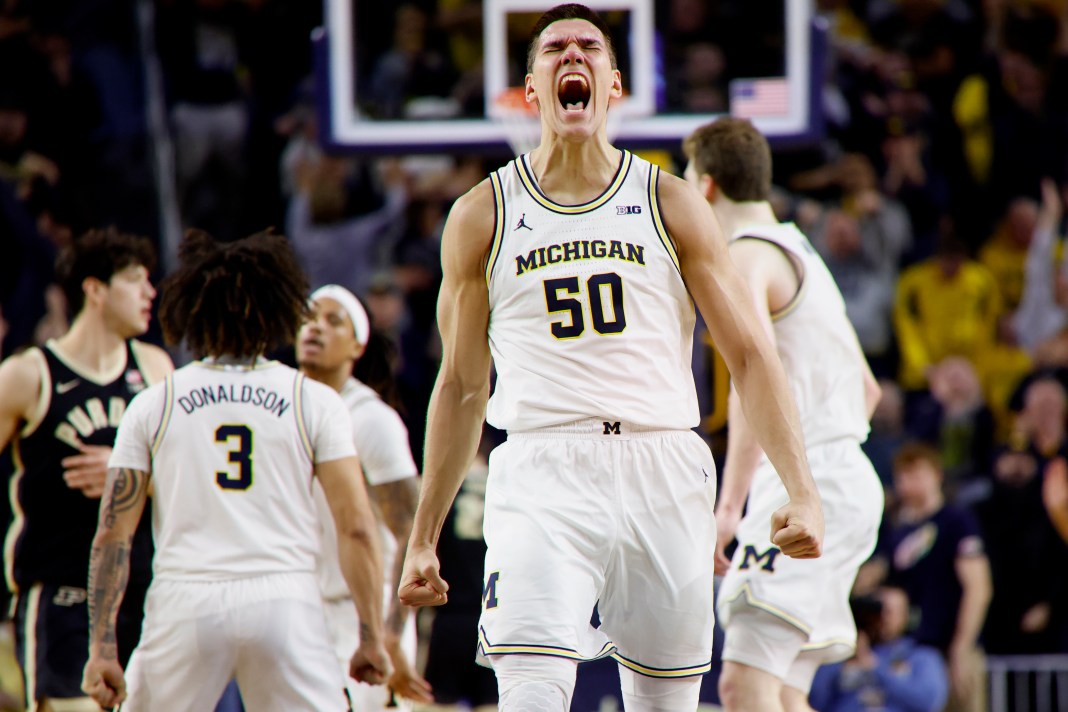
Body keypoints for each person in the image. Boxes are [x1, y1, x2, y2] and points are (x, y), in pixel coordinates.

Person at [398, 5, 824, 712]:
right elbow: (463, 386)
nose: (573, 57)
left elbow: (750, 355)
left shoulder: (669, 201)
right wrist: (424, 537)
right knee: (532, 694)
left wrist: (800, 491)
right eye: (555, 49)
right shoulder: (483, 213)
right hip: (541, 469)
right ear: (530, 91)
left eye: (589, 48)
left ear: (614, 84)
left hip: (662, 463)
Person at [80, 230, 392, 711]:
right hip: (284, 597)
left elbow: (112, 535)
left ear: (193, 310)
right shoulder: (313, 401)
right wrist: (371, 635)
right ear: (277, 311)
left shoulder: (155, 402)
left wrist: (102, 649)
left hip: (186, 599)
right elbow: (356, 528)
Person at [683, 118, 884, 712]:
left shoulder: (746, 256)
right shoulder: (803, 253)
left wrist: (728, 506)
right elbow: (869, 390)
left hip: (805, 485)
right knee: (783, 693)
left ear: (708, 187)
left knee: (743, 687)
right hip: (847, 480)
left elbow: (755, 387)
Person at [0, 227, 173, 711]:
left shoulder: (156, 369)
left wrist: (132, 477)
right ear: (95, 290)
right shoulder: (29, 374)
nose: (150, 294)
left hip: (145, 587)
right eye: (136, 281)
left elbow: (190, 477)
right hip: (62, 591)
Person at [296, 284, 433, 708]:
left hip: (359, 613)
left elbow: (411, 533)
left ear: (358, 344)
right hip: (293, 608)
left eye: (332, 321)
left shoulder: (372, 419)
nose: (315, 328)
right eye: (309, 317)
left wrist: (391, 633)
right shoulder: (278, 407)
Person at [867, 442, 991, 712]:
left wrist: (962, 646)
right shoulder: (894, 528)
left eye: (918, 474)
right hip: (910, 647)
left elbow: (978, 587)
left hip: (951, 645)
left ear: (937, 475)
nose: (910, 484)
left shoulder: (956, 521)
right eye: (903, 476)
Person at [808, 586, 949, 712]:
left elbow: (928, 702)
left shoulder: (922, 657)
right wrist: (842, 658)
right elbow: (815, 699)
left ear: (906, 616)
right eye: (879, 609)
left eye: (892, 611)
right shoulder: (844, 652)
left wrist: (875, 666)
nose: (884, 617)